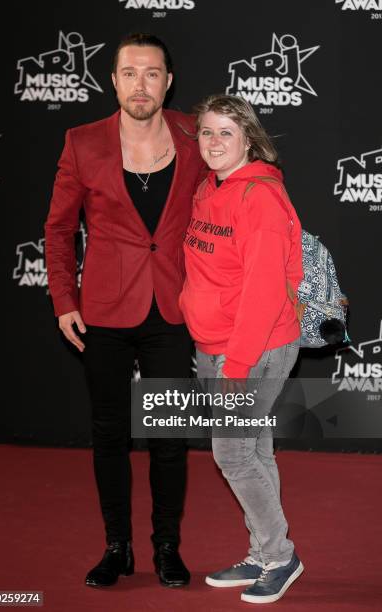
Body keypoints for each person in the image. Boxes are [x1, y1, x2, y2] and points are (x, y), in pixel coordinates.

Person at [44, 33, 205, 588]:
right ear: (113, 81)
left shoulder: (194, 133)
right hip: (105, 311)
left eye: (153, 73)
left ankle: (167, 547)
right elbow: (60, 228)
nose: (142, 84)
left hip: (173, 308)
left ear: (168, 81)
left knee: (167, 436)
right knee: (110, 433)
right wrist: (64, 299)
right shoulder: (82, 142)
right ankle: (118, 547)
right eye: (130, 73)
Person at [179, 94, 304, 604]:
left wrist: (236, 363)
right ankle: (262, 551)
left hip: (255, 348)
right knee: (254, 450)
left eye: (225, 132)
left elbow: (265, 292)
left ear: (249, 138)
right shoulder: (210, 187)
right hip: (215, 344)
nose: (213, 142)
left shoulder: (261, 198)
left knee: (232, 452)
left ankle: (280, 555)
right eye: (206, 132)